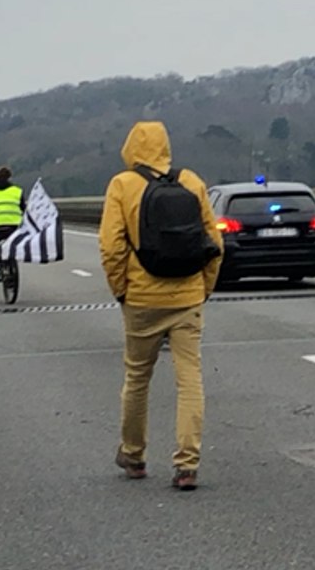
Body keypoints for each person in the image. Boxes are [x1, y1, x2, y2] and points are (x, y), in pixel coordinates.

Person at [99, 121, 222, 491]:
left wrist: (122, 290)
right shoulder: (191, 181)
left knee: (138, 377)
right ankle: (187, 465)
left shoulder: (123, 185)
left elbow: (111, 247)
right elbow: (214, 242)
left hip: (142, 298)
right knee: (190, 379)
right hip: (188, 296)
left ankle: (133, 455)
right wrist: (204, 288)